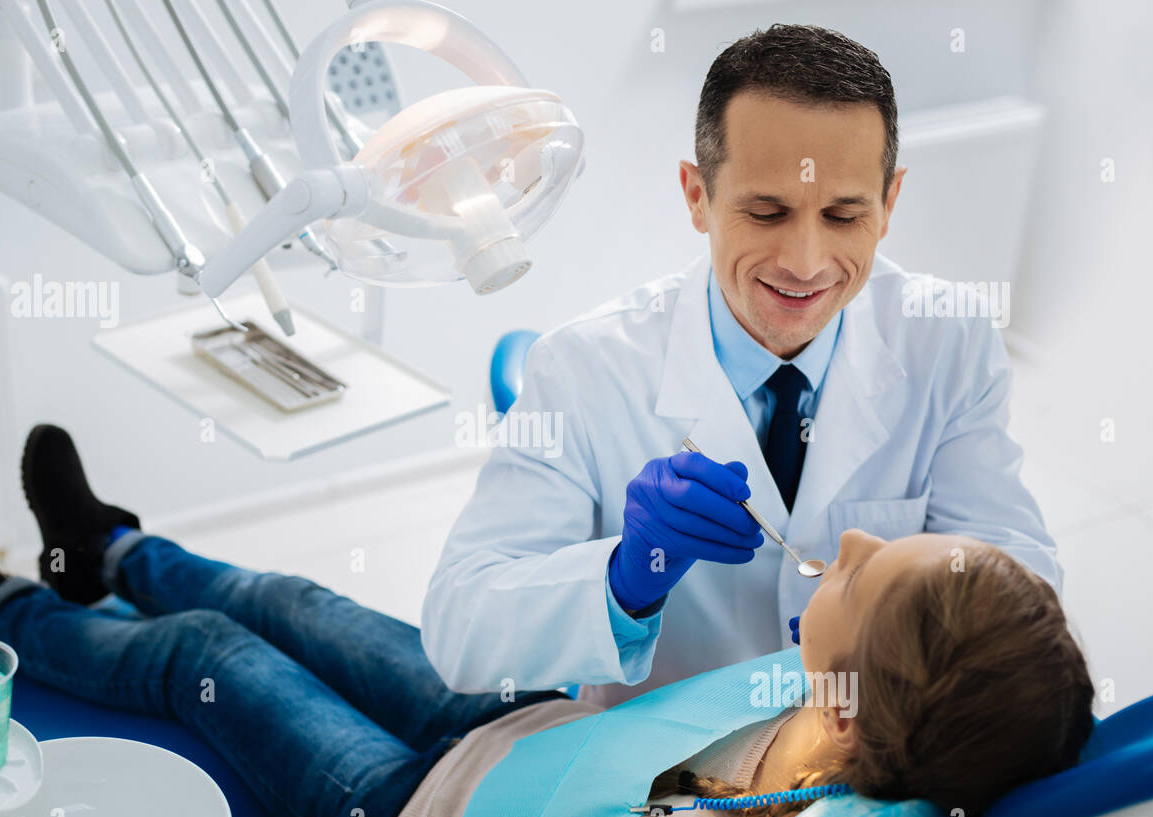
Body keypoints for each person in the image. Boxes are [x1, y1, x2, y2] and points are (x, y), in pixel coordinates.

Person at [0, 426, 1093, 817]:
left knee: (211, 657)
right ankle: (104, 547)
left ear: (852, 706)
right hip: (508, 723)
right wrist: (635, 564)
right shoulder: (835, 683)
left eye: (878, 568)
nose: (863, 535)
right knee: (288, 598)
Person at [422, 24, 1061, 707]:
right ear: (697, 197)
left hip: (865, 743)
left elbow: (1019, 581)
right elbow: (460, 631)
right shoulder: (581, 371)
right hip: (656, 774)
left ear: (890, 202)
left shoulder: (950, 342)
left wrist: (896, 632)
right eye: (766, 211)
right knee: (293, 620)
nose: (806, 262)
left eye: (845, 216)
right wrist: (623, 577)